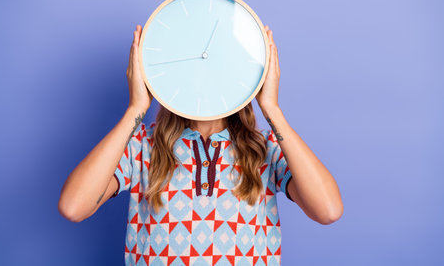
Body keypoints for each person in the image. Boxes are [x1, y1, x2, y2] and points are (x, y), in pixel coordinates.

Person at [58, 24, 343, 265]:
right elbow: (74, 207)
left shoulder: (265, 148)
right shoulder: (141, 146)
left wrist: (272, 109)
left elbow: (328, 210)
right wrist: (136, 109)